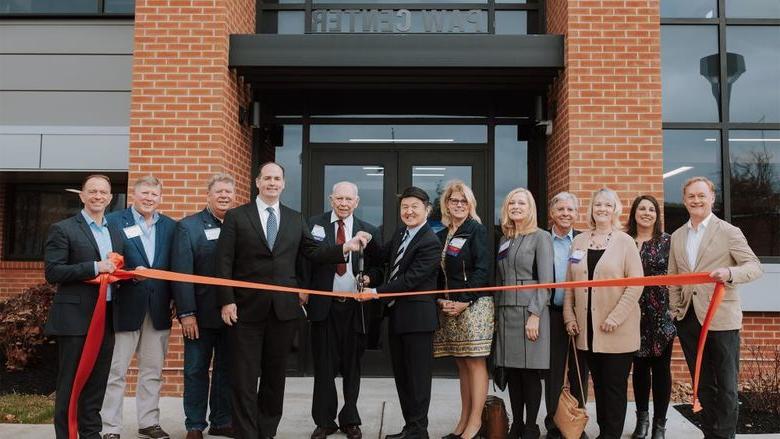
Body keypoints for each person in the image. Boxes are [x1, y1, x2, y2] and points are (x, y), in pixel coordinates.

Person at [216, 162, 368, 439]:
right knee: (245, 378)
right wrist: (227, 300)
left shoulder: (295, 218)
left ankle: (267, 431)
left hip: (283, 311)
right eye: (267, 178)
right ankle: (246, 433)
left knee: (275, 378)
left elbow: (313, 251)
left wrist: (345, 247)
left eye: (277, 179)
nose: (272, 183)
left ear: (284, 184)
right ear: (257, 182)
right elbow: (224, 261)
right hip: (245, 310)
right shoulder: (237, 217)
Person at [668, 177, 762, 439]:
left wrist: (730, 272)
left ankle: (725, 436)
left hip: (721, 319)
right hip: (688, 319)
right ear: (684, 200)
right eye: (691, 196)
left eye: (701, 195)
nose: (696, 201)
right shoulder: (677, 236)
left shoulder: (729, 231)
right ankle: (710, 434)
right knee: (703, 385)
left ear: (712, 198)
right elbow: (673, 277)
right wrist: (676, 310)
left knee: (726, 386)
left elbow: (754, 266)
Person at [44, 175, 125, 439]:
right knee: (71, 384)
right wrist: (94, 267)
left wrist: (134, 273)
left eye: (103, 192)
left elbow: (118, 269)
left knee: (97, 384)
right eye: (92, 192)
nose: (98, 196)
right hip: (75, 319)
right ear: (82, 195)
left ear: (110, 198)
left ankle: (92, 434)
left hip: (107, 318)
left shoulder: (114, 230)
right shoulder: (63, 228)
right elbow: (53, 271)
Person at [563, 188, 643, 439]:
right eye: (598, 204)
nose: (602, 209)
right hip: (587, 332)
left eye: (608, 205)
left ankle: (611, 435)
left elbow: (637, 283)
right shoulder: (579, 241)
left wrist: (615, 317)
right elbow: (569, 285)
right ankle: (604, 432)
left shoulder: (625, 241)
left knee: (614, 389)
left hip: (617, 330)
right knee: (598, 386)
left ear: (615, 209)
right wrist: (569, 316)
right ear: (591, 209)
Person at [364, 186, 442, 439]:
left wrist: (376, 291)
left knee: (418, 379)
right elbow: (381, 255)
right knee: (403, 377)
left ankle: (419, 431)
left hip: (418, 320)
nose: (409, 212)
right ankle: (411, 428)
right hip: (397, 317)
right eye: (404, 207)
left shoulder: (430, 241)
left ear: (427, 210)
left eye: (414, 207)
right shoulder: (402, 233)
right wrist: (364, 237)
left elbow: (411, 280)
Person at [102, 175, 176, 439]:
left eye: (154, 195)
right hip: (124, 305)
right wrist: (130, 273)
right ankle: (110, 428)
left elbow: (174, 267)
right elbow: (107, 262)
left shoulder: (170, 226)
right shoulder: (113, 222)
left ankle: (148, 422)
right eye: (145, 193)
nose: (149, 199)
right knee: (116, 371)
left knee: (152, 370)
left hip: (158, 308)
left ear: (160, 198)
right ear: (134, 194)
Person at [306, 181, 381, 439]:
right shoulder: (314, 225)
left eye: (349, 199)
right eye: (339, 198)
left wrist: (370, 279)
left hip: (354, 309)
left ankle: (350, 419)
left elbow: (380, 268)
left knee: (352, 367)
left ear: (357, 202)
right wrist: (345, 247)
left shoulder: (369, 231)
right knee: (324, 367)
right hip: (324, 306)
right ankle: (325, 421)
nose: (344, 203)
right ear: (331, 199)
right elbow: (311, 256)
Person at [171, 173, 237, 439]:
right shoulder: (189, 227)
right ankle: (195, 425)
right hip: (199, 315)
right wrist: (187, 313)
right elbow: (182, 273)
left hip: (232, 314)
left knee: (226, 370)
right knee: (196, 370)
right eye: (219, 192)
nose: (224, 196)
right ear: (208, 196)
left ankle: (222, 421)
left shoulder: (239, 225)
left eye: (228, 192)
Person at [433, 181, 492, 439]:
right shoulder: (443, 234)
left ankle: (475, 423)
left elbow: (483, 270)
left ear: (471, 205)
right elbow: (439, 275)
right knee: (461, 363)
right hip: (450, 306)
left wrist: (464, 300)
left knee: (475, 361)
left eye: (463, 201)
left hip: (474, 306)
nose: (458, 205)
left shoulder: (476, 230)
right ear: (446, 204)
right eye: (454, 201)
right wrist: (441, 299)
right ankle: (463, 420)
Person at [494, 188, 553, 439]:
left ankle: (531, 427)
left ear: (530, 209)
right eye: (512, 203)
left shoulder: (540, 237)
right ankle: (516, 423)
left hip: (529, 312)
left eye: (521, 203)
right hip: (506, 312)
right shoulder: (505, 238)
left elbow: (546, 280)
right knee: (513, 372)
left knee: (529, 373)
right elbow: (499, 277)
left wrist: (535, 314)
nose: (516, 207)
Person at [626, 195, 675, 439]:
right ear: (634, 213)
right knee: (640, 369)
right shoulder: (625, 241)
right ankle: (642, 421)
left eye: (651, 209)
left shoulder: (668, 242)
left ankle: (659, 425)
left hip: (661, 315)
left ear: (657, 215)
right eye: (642, 208)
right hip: (632, 314)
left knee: (662, 370)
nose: (646, 213)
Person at [543, 191, 589, 439]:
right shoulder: (542, 239)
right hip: (552, 312)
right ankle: (553, 422)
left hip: (579, 314)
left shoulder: (584, 240)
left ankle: (576, 423)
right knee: (553, 370)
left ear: (576, 213)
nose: (565, 214)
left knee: (579, 370)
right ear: (552, 213)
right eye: (561, 209)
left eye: (570, 210)